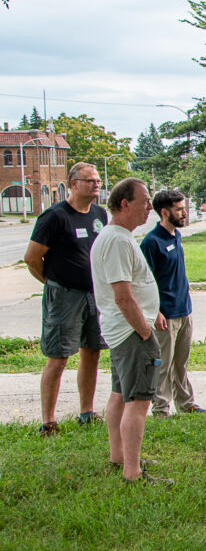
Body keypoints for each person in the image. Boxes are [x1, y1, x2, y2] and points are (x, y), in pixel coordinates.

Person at [90, 178, 168, 483]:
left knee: (120, 395)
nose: (150, 206)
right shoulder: (118, 240)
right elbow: (122, 294)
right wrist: (144, 331)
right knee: (139, 401)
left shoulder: (114, 236)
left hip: (121, 332)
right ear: (125, 204)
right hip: (131, 334)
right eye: (144, 200)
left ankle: (120, 456)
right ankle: (133, 472)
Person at [24, 162, 108, 436]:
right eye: (89, 181)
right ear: (73, 184)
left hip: (94, 295)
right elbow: (32, 257)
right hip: (64, 296)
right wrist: (52, 283)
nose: (96, 184)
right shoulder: (55, 216)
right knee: (58, 357)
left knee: (92, 352)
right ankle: (48, 422)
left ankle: (86, 412)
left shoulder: (99, 214)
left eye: (97, 180)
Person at [139, 189, 206, 417]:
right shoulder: (151, 242)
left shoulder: (176, 236)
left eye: (183, 208)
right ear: (164, 212)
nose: (184, 213)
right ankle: (161, 409)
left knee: (181, 363)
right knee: (163, 364)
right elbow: (143, 282)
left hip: (184, 309)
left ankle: (186, 403)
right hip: (165, 314)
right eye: (179, 209)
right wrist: (155, 311)